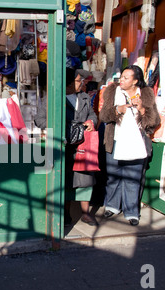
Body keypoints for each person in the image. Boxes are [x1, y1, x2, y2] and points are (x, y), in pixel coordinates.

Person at [99, 65, 160, 226]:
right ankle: (112, 205)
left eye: (126, 78)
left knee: (133, 178)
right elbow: (104, 115)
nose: (121, 80)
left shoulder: (146, 94)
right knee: (113, 176)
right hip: (115, 140)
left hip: (136, 142)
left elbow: (154, 121)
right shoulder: (112, 91)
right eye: (122, 77)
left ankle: (132, 212)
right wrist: (118, 110)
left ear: (135, 81)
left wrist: (141, 108)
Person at [65, 68, 98, 226]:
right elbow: (40, 119)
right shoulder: (55, 98)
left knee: (85, 177)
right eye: (79, 81)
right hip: (65, 145)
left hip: (83, 144)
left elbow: (92, 114)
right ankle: (65, 214)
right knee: (66, 180)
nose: (82, 83)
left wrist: (91, 122)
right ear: (69, 83)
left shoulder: (84, 97)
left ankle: (86, 214)